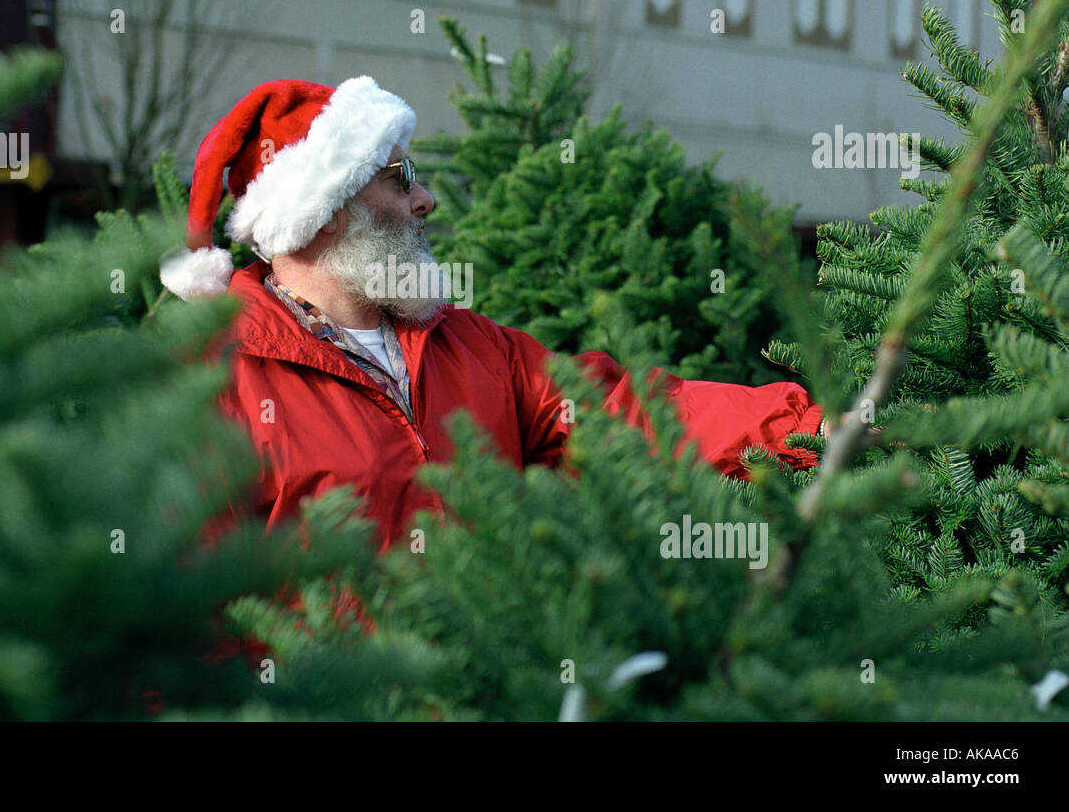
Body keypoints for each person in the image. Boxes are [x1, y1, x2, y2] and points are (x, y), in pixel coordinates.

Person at [160, 76, 830, 557]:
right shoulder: (213, 377)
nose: (425, 199)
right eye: (398, 178)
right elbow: (176, 614)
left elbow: (633, 415)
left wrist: (814, 427)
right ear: (325, 209)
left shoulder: (473, 347)